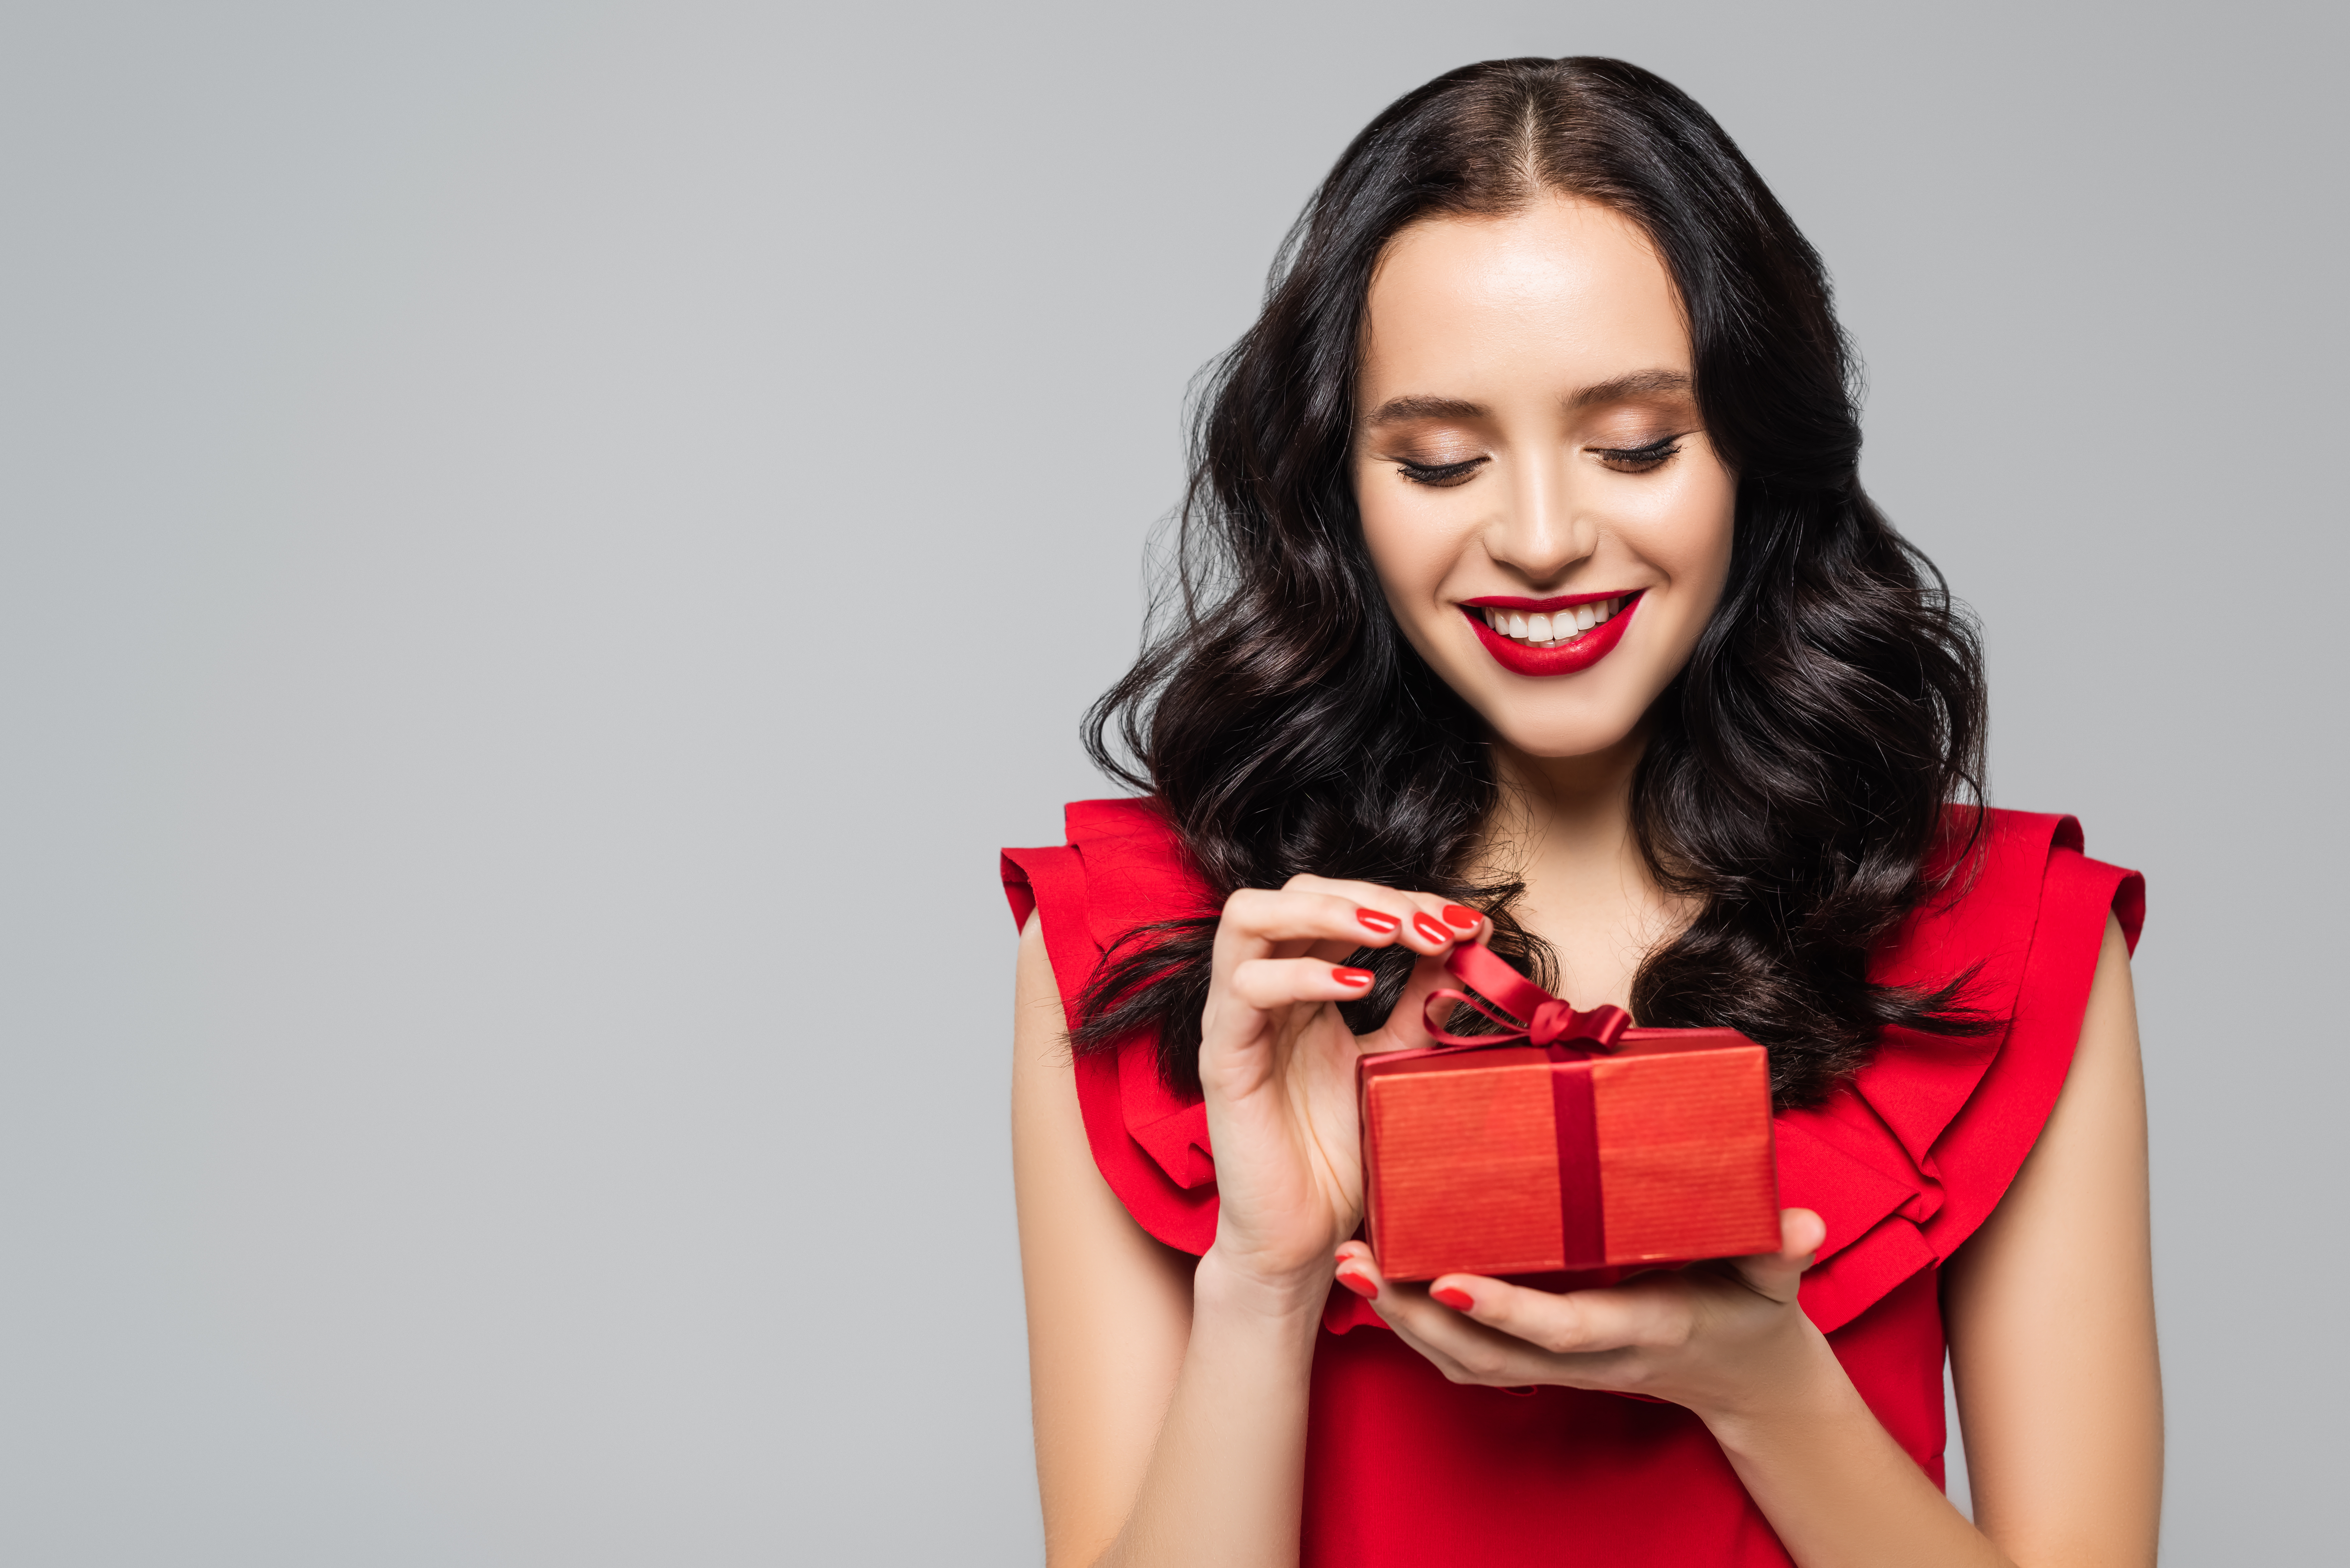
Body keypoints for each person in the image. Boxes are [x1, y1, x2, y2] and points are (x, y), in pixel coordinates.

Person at [1002, 56, 2159, 1568]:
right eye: (1438, 459)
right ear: (1336, 487)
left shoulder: (2011, 942)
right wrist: (1265, 1281)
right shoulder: (1159, 948)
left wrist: (1757, 1384)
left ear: (1754, 449)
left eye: (1631, 445)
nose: (1540, 539)